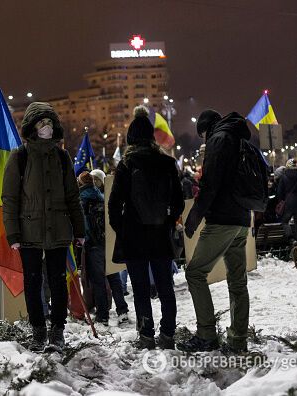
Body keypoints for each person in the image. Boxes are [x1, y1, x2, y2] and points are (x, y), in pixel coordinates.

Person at [2, 102, 85, 352]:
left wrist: (80, 230)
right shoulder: (20, 156)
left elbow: (73, 196)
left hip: (59, 231)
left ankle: (57, 331)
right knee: (33, 282)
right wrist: (13, 233)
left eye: (49, 123)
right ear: (32, 127)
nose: (46, 128)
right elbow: (10, 198)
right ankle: (38, 330)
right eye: (41, 123)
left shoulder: (61, 156)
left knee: (58, 281)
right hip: (29, 231)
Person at [108, 106, 184, 350]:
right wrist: (168, 221)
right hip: (160, 234)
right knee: (164, 286)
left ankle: (146, 334)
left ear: (131, 139)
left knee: (140, 288)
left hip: (134, 235)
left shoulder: (127, 164)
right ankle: (168, 333)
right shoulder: (167, 162)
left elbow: (114, 202)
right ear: (152, 136)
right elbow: (179, 201)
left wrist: (121, 228)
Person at [179, 110, 252, 353]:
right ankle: (238, 339)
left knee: (195, 273)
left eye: (202, 135)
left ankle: (207, 334)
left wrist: (193, 219)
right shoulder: (239, 137)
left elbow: (211, 184)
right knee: (237, 281)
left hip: (222, 219)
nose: (203, 140)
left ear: (207, 129)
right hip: (242, 218)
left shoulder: (219, 140)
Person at [78, 171, 129, 326]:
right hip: (107, 242)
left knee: (98, 281)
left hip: (93, 245)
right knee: (113, 278)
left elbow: (83, 225)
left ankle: (102, 315)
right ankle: (122, 311)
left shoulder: (82, 200)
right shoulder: (101, 196)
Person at [277, 159, 297, 243]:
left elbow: (279, 192)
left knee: (285, 221)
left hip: (288, 202)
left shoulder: (284, 176)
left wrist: (281, 200)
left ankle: (291, 238)